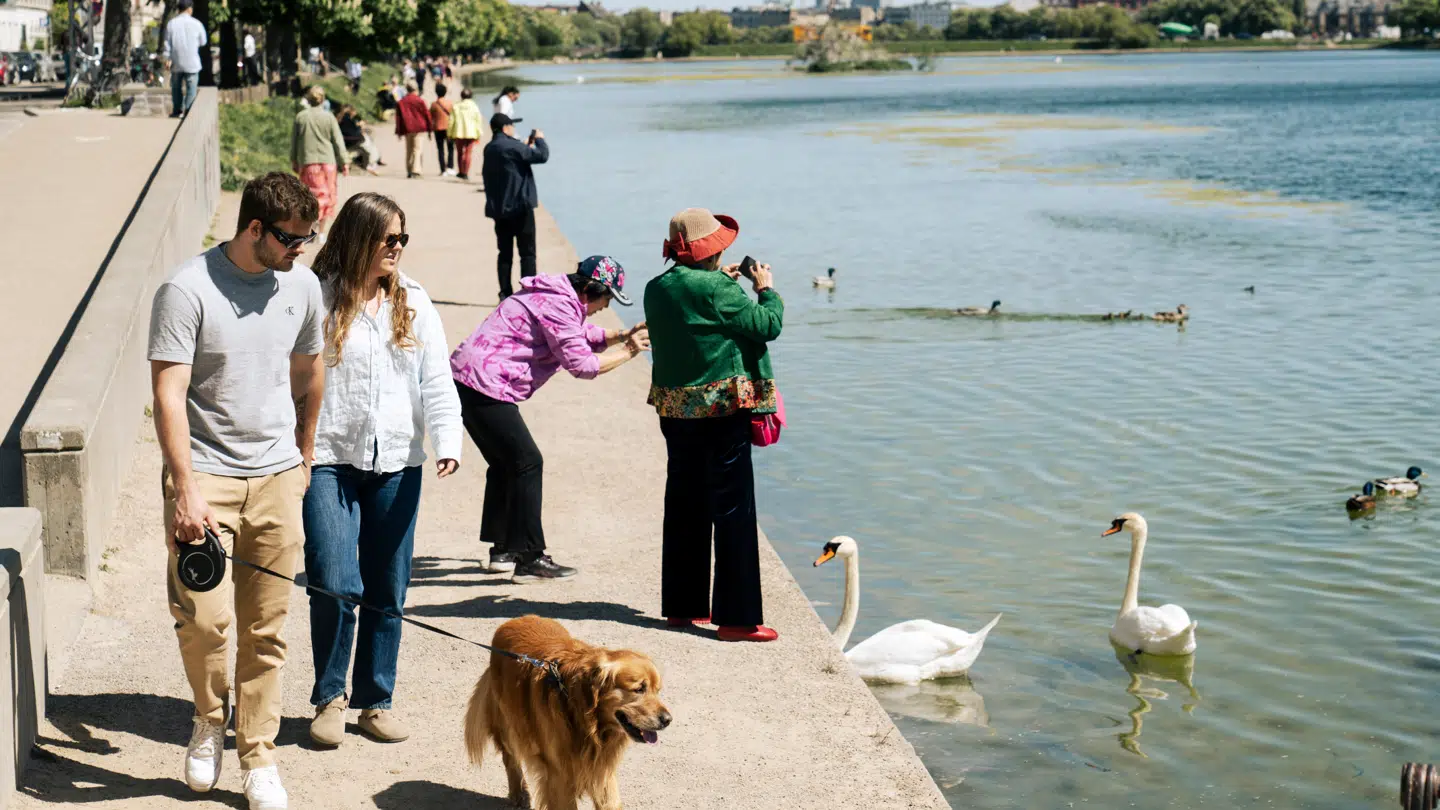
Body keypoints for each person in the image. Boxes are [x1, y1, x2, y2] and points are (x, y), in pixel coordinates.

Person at [148, 172, 326, 808]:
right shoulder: (186, 289)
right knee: (204, 621)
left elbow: (309, 372)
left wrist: (304, 459)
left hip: (278, 477)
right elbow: (168, 393)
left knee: (266, 629)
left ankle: (258, 755)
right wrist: (185, 488)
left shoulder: (302, 286)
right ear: (255, 228)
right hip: (206, 481)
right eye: (291, 239)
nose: (301, 250)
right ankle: (206, 719)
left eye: (309, 238)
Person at [303, 192, 462, 747]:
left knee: (387, 588)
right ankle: (329, 697)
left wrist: (446, 441)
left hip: (397, 461)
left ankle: (375, 700)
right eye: (387, 239)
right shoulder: (315, 297)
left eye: (402, 238)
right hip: (327, 458)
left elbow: (437, 379)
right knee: (332, 581)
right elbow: (291, 376)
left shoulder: (414, 301)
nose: (397, 248)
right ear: (357, 237)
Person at [451, 256, 649, 580]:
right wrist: (629, 350)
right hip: (485, 385)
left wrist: (621, 334)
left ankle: (504, 550)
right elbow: (583, 366)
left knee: (507, 464)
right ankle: (529, 558)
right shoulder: (560, 305)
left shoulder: (555, 295)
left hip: (468, 380)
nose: (606, 305)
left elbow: (579, 332)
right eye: (607, 298)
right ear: (589, 291)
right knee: (528, 462)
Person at [644, 208, 783, 644]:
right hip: (722, 413)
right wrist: (765, 290)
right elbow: (767, 326)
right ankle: (738, 619)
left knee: (684, 505)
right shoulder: (719, 288)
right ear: (712, 249)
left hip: (675, 412)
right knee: (733, 509)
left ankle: (683, 609)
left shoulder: (656, 287)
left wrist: (720, 281)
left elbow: (695, 308)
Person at [481, 113, 547, 300]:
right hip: (520, 209)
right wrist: (540, 140)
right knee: (527, 254)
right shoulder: (513, 146)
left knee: (505, 253)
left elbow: (511, 163)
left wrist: (524, 146)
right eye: (511, 126)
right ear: (505, 128)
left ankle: (505, 292)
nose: (513, 129)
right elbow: (542, 156)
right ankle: (528, 293)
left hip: (500, 211)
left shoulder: (490, 148)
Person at [291, 85, 349, 234]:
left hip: (308, 162)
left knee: (308, 197)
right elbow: (338, 140)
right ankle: (321, 233)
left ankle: (309, 229)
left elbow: (295, 141)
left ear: (308, 99)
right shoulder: (329, 117)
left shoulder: (301, 117)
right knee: (327, 197)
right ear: (323, 100)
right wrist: (345, 161)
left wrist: (294, 160)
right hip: (328, 162)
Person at [162, 0, 206, 118]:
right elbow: (203, 41)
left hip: (176, 61)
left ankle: (177, 110)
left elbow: (167, 43)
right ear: (190, 9)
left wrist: (167, 58)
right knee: (191, 87)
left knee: (176, 87)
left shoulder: (171, 24)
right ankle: (188, 111)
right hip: (192, 62)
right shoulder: (197, 23)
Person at [394, 80, 430, 179]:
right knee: (417, 149)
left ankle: (409, 170)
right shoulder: (420, 101)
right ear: (416, 89)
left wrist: (399, 132)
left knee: (409, 149)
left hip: (407, 128)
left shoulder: (401, 102)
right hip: (419, 128)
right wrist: (430, 129)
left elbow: (398, 118)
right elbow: (426, 115)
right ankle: (416, 170)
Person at [447, 88, 484, 182]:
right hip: (471, 132)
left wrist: (449, 133)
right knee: (468, 153)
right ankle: (466, 173)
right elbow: (478, 120)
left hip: (458, 132)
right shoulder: (474, 106)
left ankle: (461, 171)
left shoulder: (456, 106)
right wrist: (479, 133)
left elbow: (451, 121)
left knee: (459, 153)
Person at [337, 105, 381, 176]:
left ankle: (369, 163)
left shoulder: (339, 119)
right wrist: (360, 127)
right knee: (366, 145)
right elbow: (355, 132)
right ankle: (369, 164)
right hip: (354, 142)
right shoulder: (349, 120)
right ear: (351, 112)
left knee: (365, 144)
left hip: (344, 142)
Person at [430, 84, 455, 177]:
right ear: (445, 92)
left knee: (440, 149)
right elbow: (453, 115)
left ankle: (443, 169)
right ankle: (450, 167)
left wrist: (430, 131)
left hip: (438, 128)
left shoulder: (434, 104)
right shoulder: (449, 103)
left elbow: (431, 118)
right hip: (449, 128)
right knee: (451, 148)